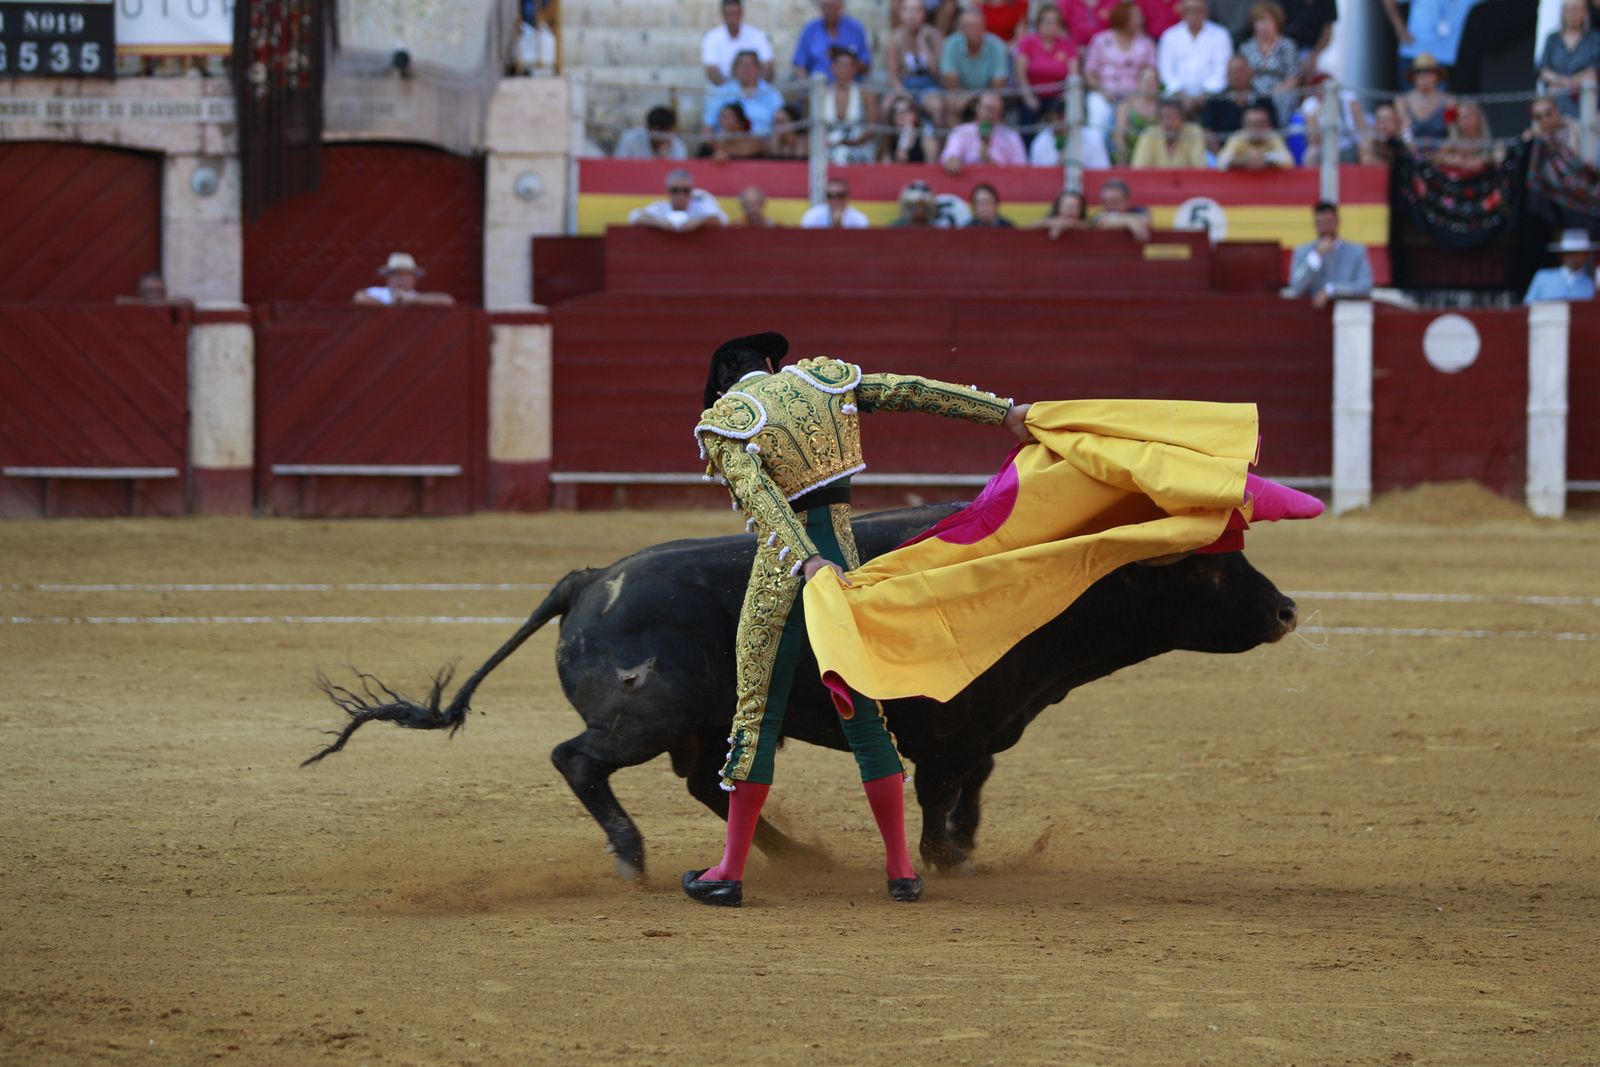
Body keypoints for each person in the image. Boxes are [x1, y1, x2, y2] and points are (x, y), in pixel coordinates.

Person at [683, 333, 1033, 907]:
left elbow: (761, 497)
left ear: (723, 380)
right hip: (847, 570)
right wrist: (1004, 413)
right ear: (772, 363)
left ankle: (729, 871)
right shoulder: (824, 381)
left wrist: (803, 560)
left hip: (787, 575)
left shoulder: (726, 417)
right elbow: (911, 391)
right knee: (864, 710)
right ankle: (900, 870)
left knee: (757, 715)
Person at [1285, 201, 1373, 308]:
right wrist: (1316, 255)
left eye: (1328, 222)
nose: (1325, 227)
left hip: (1345, 315)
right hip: (1311, 315)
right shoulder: (1303, 252)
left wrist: (1331, 289)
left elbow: (1365, 286)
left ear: (1337, 221)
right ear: (1315, 224)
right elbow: (1296, 285)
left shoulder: (1356, 252)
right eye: (1320, 222)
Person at [1380, 0, 1485, 82]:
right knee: (1409, 101)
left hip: (1441, 59)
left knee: (1438, 105)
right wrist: (1399, 29)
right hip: (1413, 53)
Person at [1156, 0, 1232, 112]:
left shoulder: (1220, 35)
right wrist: (1182, 96)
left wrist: (1204, 95)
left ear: (1205, 12)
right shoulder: (1169, 36)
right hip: (1176, 99)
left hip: (1212, 99)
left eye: (1197, 10)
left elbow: (1222, 71)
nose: (1193, 15)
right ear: (1182, 12)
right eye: (1188, 10)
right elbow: (1165, 72)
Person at [1015, 4, 1080, 128]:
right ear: (1039, 24)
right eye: (1048, 22)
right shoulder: (1027, 42)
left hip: (1059, 96)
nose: (1051, 26)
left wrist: (1064, 97)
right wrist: (1029, 97)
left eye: (1055, 22)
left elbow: (1074, 74)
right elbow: (1021, 74)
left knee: (1063, 113)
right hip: (1032, 94)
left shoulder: (1068, 44)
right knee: (1028, 113)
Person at [1084, 1, 1158, 110]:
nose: (1141, 19)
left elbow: (1151, 71)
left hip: (1137, 95)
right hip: (1104, 93)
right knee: (1098, 109)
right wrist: (1103, 91)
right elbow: (1089, 73)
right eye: (1135, 16)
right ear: (1123, 18)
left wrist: (1141, 93)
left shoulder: (1146, 43)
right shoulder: (1100, 41)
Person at [941, 7, 1011, 118]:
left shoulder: (997, 45)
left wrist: (976, 97)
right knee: (951, 105)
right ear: (960, 29)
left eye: (975, 26)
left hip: (989, 95)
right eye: (967, 26)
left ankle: (988, 135)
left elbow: (999, 84)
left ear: (983, 27)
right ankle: (956, 135)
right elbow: (950, 82)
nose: (971, 30)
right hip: (960, 94)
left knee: (990, 105)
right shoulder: (951, 44)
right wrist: (971, 97)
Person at [1200, 53, 1278, 152]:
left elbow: (1273, 130)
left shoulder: (1263, 100)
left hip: (1260, 156)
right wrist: (1222, 156)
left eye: (1240, 71)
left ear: (1251, 72)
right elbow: (1207, 131)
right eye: (1231, 72)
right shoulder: (1216, 100)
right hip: (1223, 156)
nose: (1235, 75)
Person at [1238, 1, 1301, 121]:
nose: (1263, 26)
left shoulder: (1287, 46)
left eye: (1267, 21)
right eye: (1259, 22)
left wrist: (1274, 93)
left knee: (1283, 99)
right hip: (1253, 93)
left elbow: (1293, 77)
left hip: (1281, 92)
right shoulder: (1246, 48)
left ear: (1277, 22)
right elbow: (1242, 77)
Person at [1537, 0, 1600, 119]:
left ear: (1585, 13)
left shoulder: (1595, 38)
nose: (1572, 14)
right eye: (1568, 9)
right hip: (1555, 104)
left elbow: (1594, 70)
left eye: (1576, 9)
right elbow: (1543, 70)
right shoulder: (1553, 38)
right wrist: (1569, 83)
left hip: (1586, 100)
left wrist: (1565, 85)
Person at [887, 0, 947, 125]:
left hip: (929, 85)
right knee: (886, 106)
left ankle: (940, 142)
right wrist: (904, 94)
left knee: (937, 107)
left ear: (923, 14)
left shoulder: (934, 36)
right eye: (907, 10)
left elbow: (938, 73)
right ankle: (886, 145)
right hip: (905, 84)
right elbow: (893, 77)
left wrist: (922, 44)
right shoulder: (895, 38)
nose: (911, 15)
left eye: (916, 11)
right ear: (901, 14)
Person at [940, 91, 1029, 172]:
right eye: (986, 108)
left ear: (1000, 113)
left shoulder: (1011, 137)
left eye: (994, 110)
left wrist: (988, 160)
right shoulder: (961, 131)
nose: (989, 114)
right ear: (977, 108)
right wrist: (952, 160)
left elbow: (1020, 168)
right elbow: (950, 154)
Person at [703, 50, 785, 137]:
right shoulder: (722, 93)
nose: (746, 69)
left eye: (751, 65)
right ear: (735, 69)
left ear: (759, 68)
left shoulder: (771, 92)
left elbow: (783, 122)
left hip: (765, 144)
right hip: (729, 145)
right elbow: (708, 125)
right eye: (742, 65)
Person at [820, 45, 879, 164]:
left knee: (843, 155)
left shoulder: (866, 94)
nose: (843, 70)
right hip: (828, 146)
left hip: (859, 146)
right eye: (839, 66)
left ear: (855, 68)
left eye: (847, 66)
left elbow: (871, 128)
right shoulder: (823, 94)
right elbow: (817, 127)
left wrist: (851, 143)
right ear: (832, 67)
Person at [792, 0, 873, 80]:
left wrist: (845, 63)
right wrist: (807, 85)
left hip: (850, 86)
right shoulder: (810, 30)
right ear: (821, 8)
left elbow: (866, 64)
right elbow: (799, 64)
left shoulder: (855, 29)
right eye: (827, 7)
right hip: (818, 86)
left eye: (834, 6)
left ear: (841, 6)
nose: (831, 11)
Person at [628, 169, 729, 232]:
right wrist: (659, 223)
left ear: (691, 190)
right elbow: (634, 217)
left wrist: (700, 221)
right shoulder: (661, 207)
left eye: (685, 190)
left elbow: (722, 218)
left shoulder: (700, 202)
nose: (680, 195)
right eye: (675, 190)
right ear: (668, 190)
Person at [701, 0, 774, 85]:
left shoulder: (758, 36)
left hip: (755, 91)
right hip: (723, 91)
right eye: (729, 14)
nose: (733, 19)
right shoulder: (712, 37)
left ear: (742, 13)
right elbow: (712, 72)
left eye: (736, 14)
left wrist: (753, 90)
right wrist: (732, 90)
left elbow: (768, 68)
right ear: (723, 14)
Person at [1300, 74, 1367, 166]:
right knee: (1311, 154)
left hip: (1350, 145)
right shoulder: (1310, 105)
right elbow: (1313, 141)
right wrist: (1317, 115)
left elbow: (1364, 127)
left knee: (1366, 148)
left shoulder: (1347, 98)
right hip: (1324, 148)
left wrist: (1363, 142)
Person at [1029, 96, 1113, 168]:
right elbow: (1037, 175)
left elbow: (1101, 170)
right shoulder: (1040, 142)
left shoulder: (1092, 138)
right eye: (1053, 119)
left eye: (1062, 118)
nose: (1058, 124)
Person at [1395, 53, 1455, 149]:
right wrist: (1412, 150)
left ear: (1437, 77)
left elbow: (1453, 132)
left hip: (1442, 154)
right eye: (1420, 76)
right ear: (1413, 78)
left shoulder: (1448, 100)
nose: (1424, 79)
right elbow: (1404, 130)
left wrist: (1442, 153)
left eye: (1429, 75)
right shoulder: (1402, 101)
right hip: (1410, 151)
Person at [1130, 95, 1209, 167]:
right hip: (1154, 182)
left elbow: (1200, 168)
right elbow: (1139, 168)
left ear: (1182, 118)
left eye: (1174, 117)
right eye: (1165, 117)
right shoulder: (1149, 134)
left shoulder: (1193, 133)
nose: (1169, 123)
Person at [1523, 229, 1598, 303]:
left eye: (1578, 253)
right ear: (1562, 254)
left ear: (1586, 254)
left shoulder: (1592, 285)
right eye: (1569, 253)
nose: (1573, 257)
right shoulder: (1543, 277)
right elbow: (1526, 308)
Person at [352, 253, 455, 306]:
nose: (402, 280)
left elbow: (448, 300)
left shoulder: (415, 297)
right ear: (389, 278)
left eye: (406, 275)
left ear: (414, 279)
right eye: (397, 275)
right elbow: (359, 297)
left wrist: (412, 300)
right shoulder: (379, 293)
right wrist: (389, 305)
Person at [1113, 63, 1163, 163]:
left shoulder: (1162, 107)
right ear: (1138, 83)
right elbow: (1119, 135)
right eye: (1146, 80)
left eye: (1153, 80)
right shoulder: (1127, 105)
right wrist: (1123, 155)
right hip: (1129, 153)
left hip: (1155, 157)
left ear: (1158, 85)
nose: (1149, 84)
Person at [1217, 104, 1293, 169]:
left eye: (1259, 124)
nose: (1255, 128)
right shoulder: (1238, 137)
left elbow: (1289, 162)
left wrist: (1266, 159)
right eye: (1250, 124)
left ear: (1268, 125)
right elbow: (1221, 163)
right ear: (1244, 125)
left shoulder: (1272, 137)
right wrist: (1242, 161)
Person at [1432, 100, 1498, 174]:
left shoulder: (1489, 143)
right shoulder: (1453, 142)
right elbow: (1434, 158)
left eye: (1467, 116)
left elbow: (1498, 157)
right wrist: (1449, 159)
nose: (1463, 120)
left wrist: (1484, 160)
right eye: (1459, 116)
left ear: (1478, 117)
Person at [883, 92, 942, 163]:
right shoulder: (889, 141)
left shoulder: (928, 142)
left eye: (906, 111)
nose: (902, 116)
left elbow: (931, 170)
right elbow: (884, 169)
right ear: (891, 118)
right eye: (896, 112)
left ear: (916, 115)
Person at [614, 106, 689, 160]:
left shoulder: (678, 148)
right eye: (658, 132)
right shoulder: (630, 139)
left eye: (666, 132)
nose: (661, 138)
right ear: (648, 128)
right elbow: (618, 166)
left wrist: (663, 160)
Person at [800, 178, 871, 228]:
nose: (835, 200)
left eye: (840, 196)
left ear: (847, 197)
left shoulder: (858, 218)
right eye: (830, 196)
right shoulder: (813, 215)